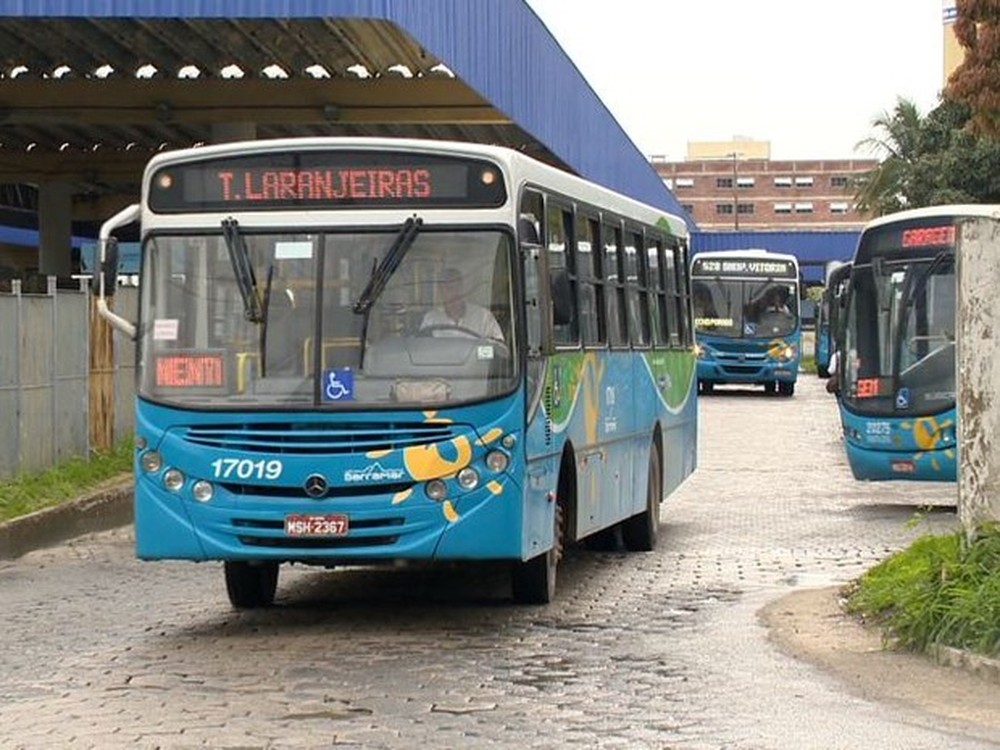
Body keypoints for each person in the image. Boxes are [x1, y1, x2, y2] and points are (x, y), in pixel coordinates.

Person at [420, 267, 503, 341]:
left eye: (458, 287)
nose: (455, 293)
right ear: (441, 293)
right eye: (449, 289)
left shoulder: (483, 317)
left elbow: (498, 347)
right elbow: (423, 350)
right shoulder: (431, 320)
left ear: (463, 289)